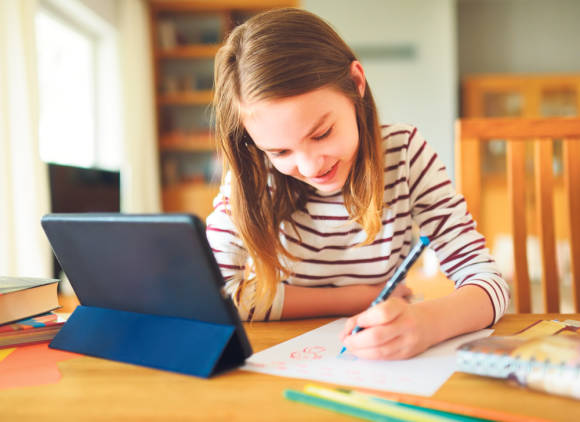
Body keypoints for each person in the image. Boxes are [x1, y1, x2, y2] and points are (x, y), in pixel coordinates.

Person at [206, 8, 509, 360]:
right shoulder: (253, 174)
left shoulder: (405, 154)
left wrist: (428, 323)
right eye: (280, 150)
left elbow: (489, 282)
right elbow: (218, 296)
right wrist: (362, 296)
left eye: (321, 134)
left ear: (356, 83)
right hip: (285, 358)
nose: (308, 166)